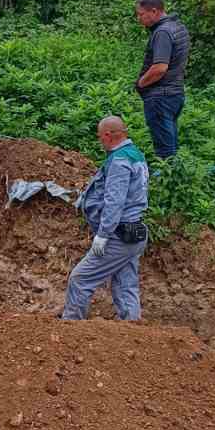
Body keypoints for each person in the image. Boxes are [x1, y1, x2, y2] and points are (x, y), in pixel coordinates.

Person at [61, 115, 150, 321]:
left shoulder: (119, 161)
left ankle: (70, 327)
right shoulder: (135, 154)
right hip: (133, 232)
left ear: (108, 136)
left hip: (118, 235)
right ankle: (132, 328)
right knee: (125, 283)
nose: (100, 140)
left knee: (80, 279)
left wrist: (103, 234)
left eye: (100, 136)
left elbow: (114, 201)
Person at [134, 0, 190, 159]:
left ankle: (168, 174)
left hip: (161, 98)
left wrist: (141, 83)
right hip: (175, 94)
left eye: (141, 14)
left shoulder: (163, 33)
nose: (139, 19)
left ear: (154, 11)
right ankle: (176, 171)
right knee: (171, 145)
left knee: (165, 151)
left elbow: (160, 68)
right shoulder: (177, 27)